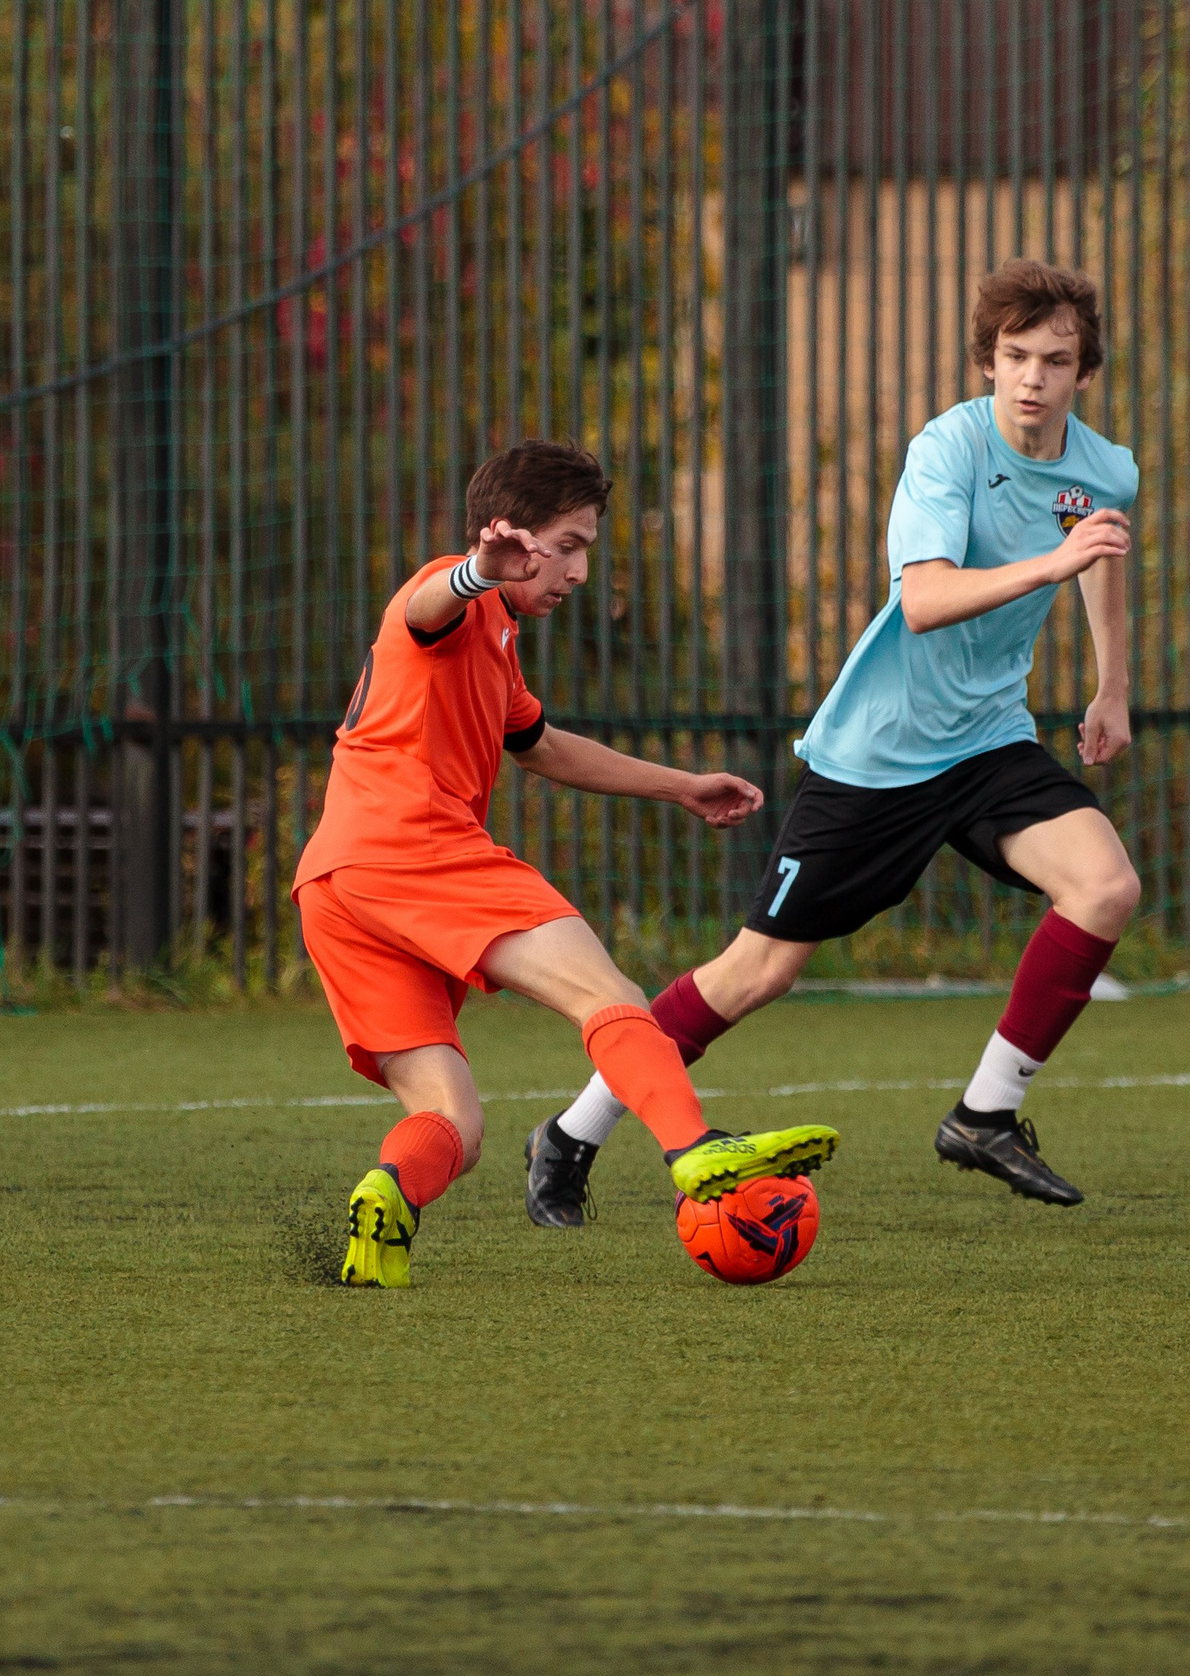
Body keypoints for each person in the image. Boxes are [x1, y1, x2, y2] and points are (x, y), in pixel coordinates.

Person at [524, 259, 1141, 1219]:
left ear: (1084, 373)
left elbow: (1097, 550)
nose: (1033, 377)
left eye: (1055, 361)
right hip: (879, 754)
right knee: (758, 971)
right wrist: (1050, 563)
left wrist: (1112, 687)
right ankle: (570, 1134)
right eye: (1015, 355)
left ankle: (984, 1114)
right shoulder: (947, 450)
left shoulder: (1104, 469)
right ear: (988, 360)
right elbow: (925, 599)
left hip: (988, 741)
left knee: (1105, 886)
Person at [292, 439, 840, 1287]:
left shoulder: (496, 639)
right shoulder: (454, 597)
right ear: (508, 536)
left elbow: (542, 746)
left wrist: (681, 787)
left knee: (452, 1121)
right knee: (610, 997)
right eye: (569, 546)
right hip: (415, 847)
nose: (580, 571)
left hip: (336, 881)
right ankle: (695, 1149)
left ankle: (388, 1193)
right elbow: (427, 607)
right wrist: (477, 571)